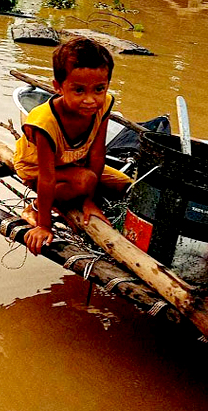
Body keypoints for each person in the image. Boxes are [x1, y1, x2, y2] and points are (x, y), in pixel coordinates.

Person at [13, 37, 132, 255]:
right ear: (58, 87)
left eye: (99, 89)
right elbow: (47, 177)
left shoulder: (103, 105)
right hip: (36, 168)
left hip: (73, 160)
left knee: (126, 185)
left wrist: (89, 201)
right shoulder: (44, 122)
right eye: (79, 91)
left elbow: (97, 152)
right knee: (85, 179)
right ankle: (35, 208)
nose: (91, 100)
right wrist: (43, 225)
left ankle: (82, 194)